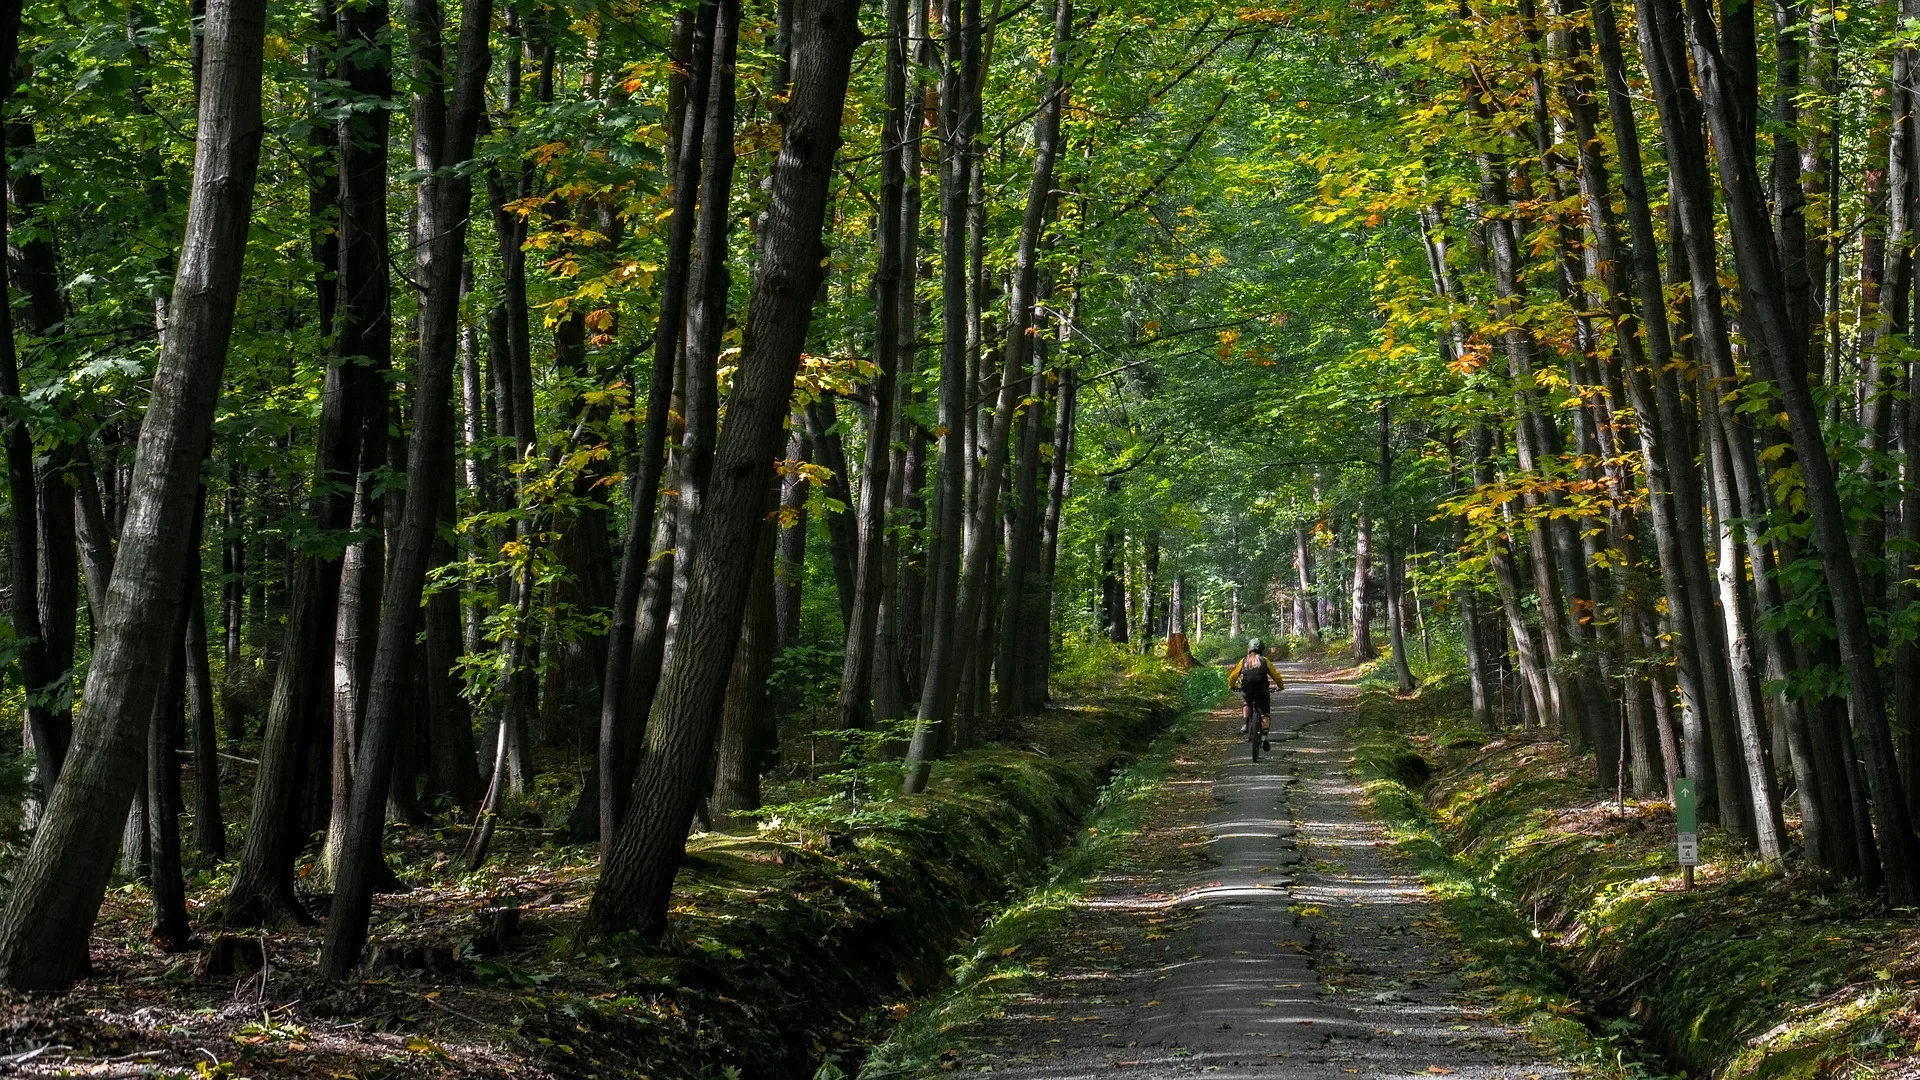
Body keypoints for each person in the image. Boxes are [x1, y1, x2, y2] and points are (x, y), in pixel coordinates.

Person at [1229, 638, 1282, 749]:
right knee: (1265, 713)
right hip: (1262, 690)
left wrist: (1232, 686)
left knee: (1247, 702)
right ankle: (1264, 737)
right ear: (1261, 649)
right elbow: (1275, 675)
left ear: (1249, 649)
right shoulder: (1264, 660)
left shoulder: (1243, 661)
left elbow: (1233, 676)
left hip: (1247, 689)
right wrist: (1280, 687)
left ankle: (1245, 724)